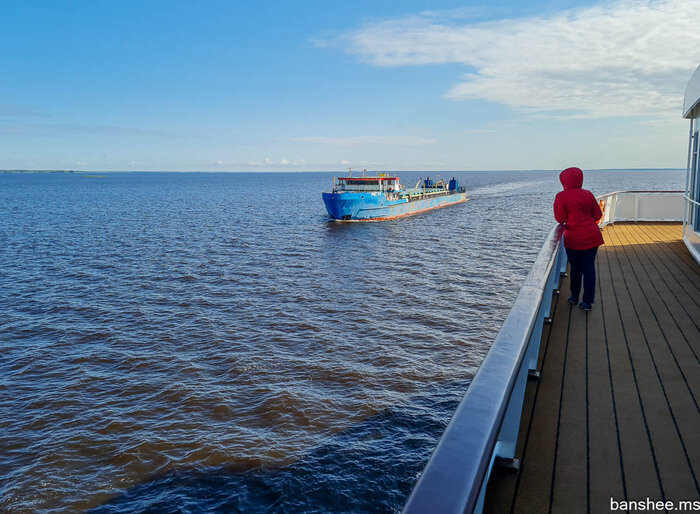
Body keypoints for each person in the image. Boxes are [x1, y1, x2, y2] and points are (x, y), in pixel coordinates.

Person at [553, 167, 604, 311]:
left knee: (576, 269)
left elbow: (560, 218)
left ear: (563, 181)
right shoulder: (587, 194)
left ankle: (574, 297)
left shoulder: (561, 196)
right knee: (589, 269)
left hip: (574, 239)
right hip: (592, 237)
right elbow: (597, 215)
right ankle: (587, 302)